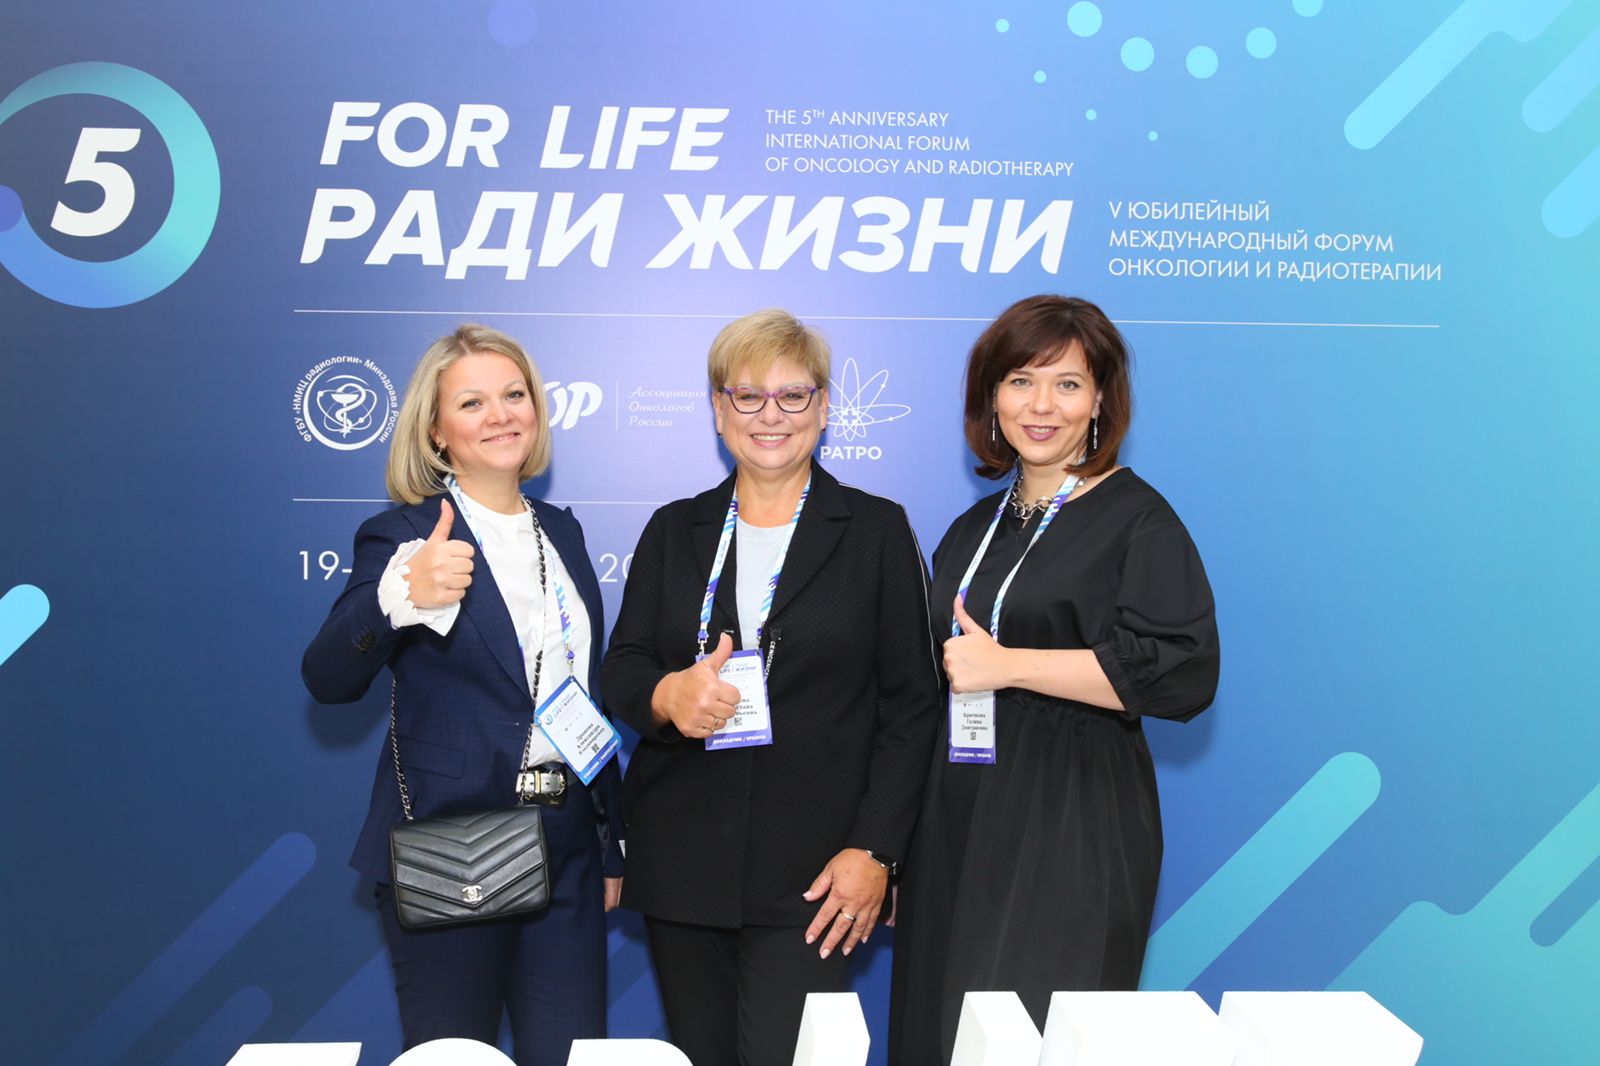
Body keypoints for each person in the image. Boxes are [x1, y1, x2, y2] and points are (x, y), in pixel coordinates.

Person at [888, 295, 1221, 1064]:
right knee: (940, 1035)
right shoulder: (973, 529)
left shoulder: (1139, 520)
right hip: (956, 815)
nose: (1041, 405)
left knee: (1028, 1037)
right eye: (1020, 381)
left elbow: (1182, 671)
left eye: (1067, 384)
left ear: (1101, 401)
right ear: (991, 397)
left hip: (1072, 814)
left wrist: (1010, 666)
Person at [602, 309, 940, 1066]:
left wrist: (877, 850)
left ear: (823, 407)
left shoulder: (877, 531)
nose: (770, 416)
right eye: (748, 396)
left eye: (793, 395)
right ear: (718, 409)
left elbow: (914, 707)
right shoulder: (674, 529)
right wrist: (666, 697)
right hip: (685, 858)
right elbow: (622, 665)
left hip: (818, 873)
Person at [301, 324, 625, 1066]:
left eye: (515, 395)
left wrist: (610, 841)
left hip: (569, 844)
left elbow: (584, 695)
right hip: (455, 844)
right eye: (472, 403)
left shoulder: (563, 532)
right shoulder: (403, 536)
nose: (501, 415)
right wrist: (396, 600)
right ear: (436, 432)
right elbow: (326, 678)